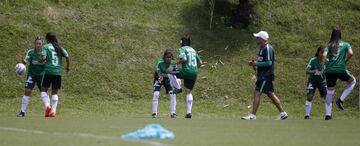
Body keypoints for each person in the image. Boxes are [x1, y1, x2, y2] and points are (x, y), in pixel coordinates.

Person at [242, 31, 288, 120]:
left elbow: (269, 63)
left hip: (265, 76)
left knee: (257, 93)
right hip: (264, 75)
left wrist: (256, 63)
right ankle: (283, 113)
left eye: (258, 37)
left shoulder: (267, 48)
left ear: (262, 39)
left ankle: (252, 115)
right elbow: (262, 62)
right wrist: (254, 64)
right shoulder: (262, 48)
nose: (256, 39)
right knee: (270, 94)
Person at [323, 27, 356, 120]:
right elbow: (351, 53)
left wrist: (328, 62)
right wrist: (345, 60)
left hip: (329, 71)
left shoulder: (329, 46)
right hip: (341, 69)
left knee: (329, 92)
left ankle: (328, 115)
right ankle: (340, 100)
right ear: (340, 34)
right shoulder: (346, 44)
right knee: (353, 81)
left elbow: (324, 56)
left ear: (332, 35)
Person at [167, 35, 203, 118]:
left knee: (169, 71)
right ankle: (188, 113)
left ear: (182, 42)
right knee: (188, 92)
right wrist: (194, 69)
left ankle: (177, 87)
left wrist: (175, 63)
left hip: (186, 71)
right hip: (194, 72)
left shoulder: (182, 49)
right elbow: (200, 63)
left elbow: (184, 59)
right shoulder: (193, 50)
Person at [40, 32, 70, 117]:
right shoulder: (59, 47)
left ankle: (47, 106)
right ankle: (53, 112)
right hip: (57, 73)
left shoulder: (46, 47)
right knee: (55, 93)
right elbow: (67, 57)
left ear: (47, 39)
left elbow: (44, 58)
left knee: (43, 90)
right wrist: (67, 67)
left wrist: (41, 61)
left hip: (48, 72)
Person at [17, 36, 46, 117]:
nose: (38, 45)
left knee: (44, 93)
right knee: (27, 91)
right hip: (32, 75)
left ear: (42, 44)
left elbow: (45, 60)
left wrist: (43, 60)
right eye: (36, 43)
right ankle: (22, 112)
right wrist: (23, 62)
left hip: (42, 76)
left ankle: (48, 110)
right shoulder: (31, 52)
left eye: (39, 43)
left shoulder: (45, 52)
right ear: (34, 44)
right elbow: (26, 61)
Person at [152, 50, 178, 118]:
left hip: (168, 79)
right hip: (159, 77)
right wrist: (160, 78)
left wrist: (176, 81)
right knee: (156, 94)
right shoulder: (160, 62)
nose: (169, 58)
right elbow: (158, 72)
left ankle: (173, 113)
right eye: (167, 57)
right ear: (164, 57)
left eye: (170, 57)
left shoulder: (173, 64)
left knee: (172, 94)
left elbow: (175, 73)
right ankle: (154, 113)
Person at [304, 45, 327, 119]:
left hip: (322, 82)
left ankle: (328, 114)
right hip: (312, 81)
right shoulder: (313, 60)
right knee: (309, 97)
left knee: (327, 98)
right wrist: (314, 71)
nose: (322, 54)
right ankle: (307, 115)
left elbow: (330, 71)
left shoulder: (327, 61)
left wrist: (325, 73)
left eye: (324, 53)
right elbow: (307, 71)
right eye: (321, 52)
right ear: (318, 52)